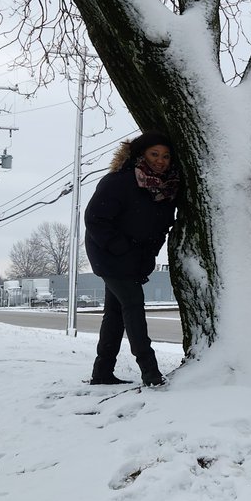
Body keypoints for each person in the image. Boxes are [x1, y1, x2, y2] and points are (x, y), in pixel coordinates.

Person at [83, 131, 180, 387]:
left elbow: (160, 229)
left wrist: (147, 257)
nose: (161, 161)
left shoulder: (165, 189)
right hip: (108, 256)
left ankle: (102, 372)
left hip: (135, 259)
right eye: (154, 154)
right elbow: (95, 219)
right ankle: (150, 372)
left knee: (114, 314)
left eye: (166, 156)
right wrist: (121, 248)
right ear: (141, 155)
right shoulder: (119, 181)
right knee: (133, 305)